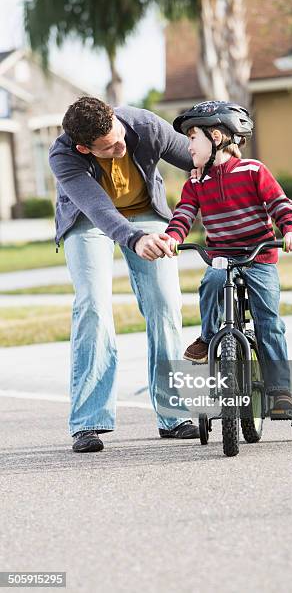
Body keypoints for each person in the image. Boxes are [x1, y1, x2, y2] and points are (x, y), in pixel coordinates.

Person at [49, 96, 200, 453]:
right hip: (88, 221)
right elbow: (98, 207)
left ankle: (174, 414)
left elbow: (196, 157)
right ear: (85, 148)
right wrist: (134, 238)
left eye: (119, 136)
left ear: (116, 117)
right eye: (108, 148)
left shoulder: (145, 126)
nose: (120, 146)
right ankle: (88, 423)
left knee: (166, 305)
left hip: (147, 211)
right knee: (94, 306)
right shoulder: (63, 156)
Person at [156, 100, 292, 410]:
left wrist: (289, 230)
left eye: (193, 138)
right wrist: (172, 237)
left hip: (259, 257)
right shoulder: (196, 181)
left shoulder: (253, 170)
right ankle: (210, 336)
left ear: (217, 138)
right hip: (222, 255)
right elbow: (184, 213)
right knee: (210, 282)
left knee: (270, 323)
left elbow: (279, 203)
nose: (188, 146)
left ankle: (280, 391)